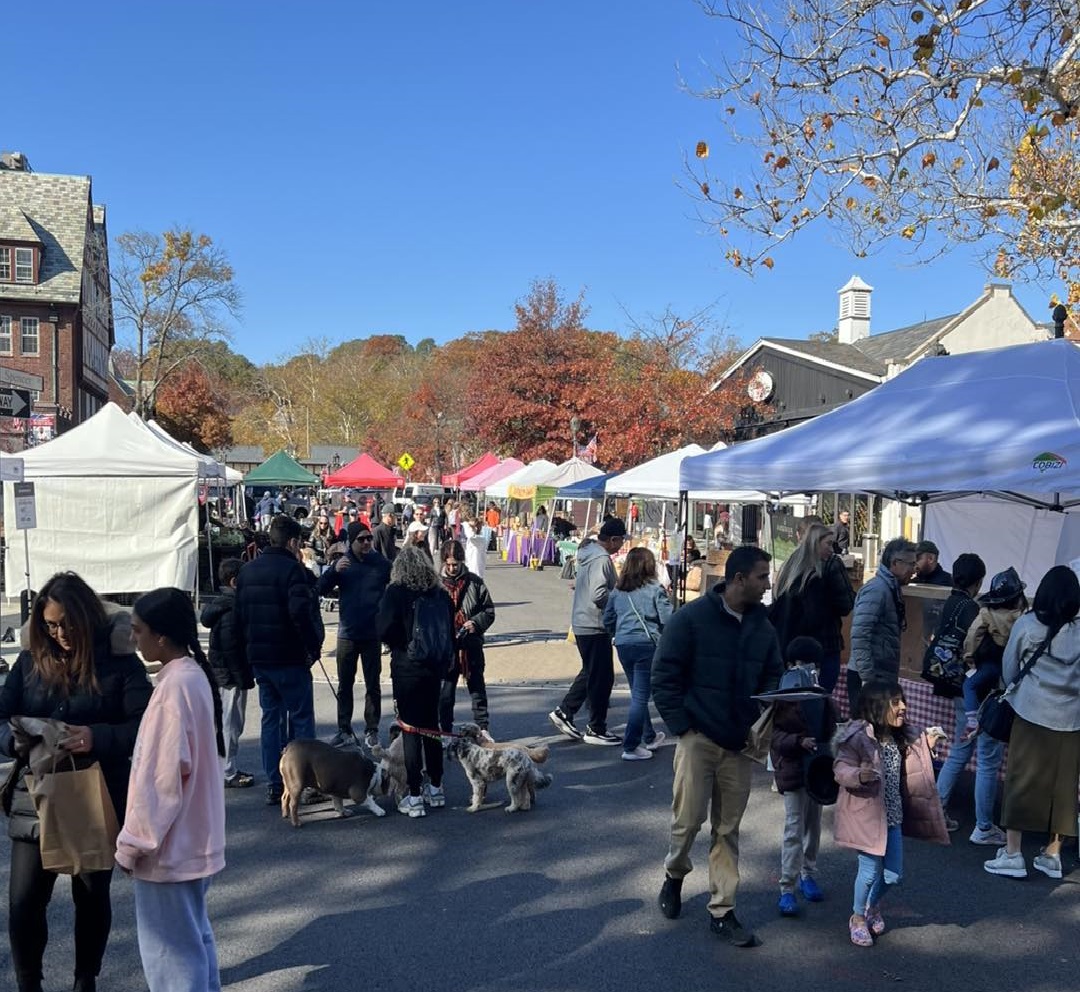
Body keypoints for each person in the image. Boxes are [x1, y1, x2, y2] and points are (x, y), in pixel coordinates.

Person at [0, 572, 152, 992]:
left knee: (91, 896)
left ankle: (86, 979)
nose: (60, 633)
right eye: (50, 625)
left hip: (96, 791)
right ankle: (29, 983)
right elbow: (0, 714)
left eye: (67, 623)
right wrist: (14, 739)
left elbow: (145, 726)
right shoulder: (30, 660)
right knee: (24, 903)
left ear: (87, 617)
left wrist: (95, 737)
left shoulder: (121, 661)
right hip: (38, 794)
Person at [652, 546, 782, 948]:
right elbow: (664, 676)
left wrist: (770, 711)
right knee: (687, 822)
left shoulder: (764, 626)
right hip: (698, 739)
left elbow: (772, 678)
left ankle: (723, 911)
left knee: (728, 830)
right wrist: (683, 728)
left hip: (739, 744)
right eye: (761, 577)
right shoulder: (691, 619)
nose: (767, 585)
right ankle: (674, 876)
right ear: (739, 578)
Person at [117, 588, 226, 992]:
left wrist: (133, 843)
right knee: (194, 942)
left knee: (171, 958)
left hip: (168, 846)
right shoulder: (193, 677)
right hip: (194, 840)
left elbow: (159, 780)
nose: (134, 639)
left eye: (138, 630)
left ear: (160, 637)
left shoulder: (172, 690)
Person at [833, 681, 949, 947]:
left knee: (894, 875)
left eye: (902, 700)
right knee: (870, 869)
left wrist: (927, 747)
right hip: (867, 816)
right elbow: (840, 768)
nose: (903, 707)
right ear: (876, 706)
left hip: (893, 816)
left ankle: (872, 906)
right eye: (895, 702)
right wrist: (858, 775)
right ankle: (857, 917)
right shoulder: (858, 737)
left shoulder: (902, 736)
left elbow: (914, 765)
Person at [984, 565, 1080, 881]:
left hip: (1031, 712)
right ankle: (1052, 855)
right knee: (1063, 787)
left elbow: (1010, 670)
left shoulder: (1027, 625)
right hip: (1071, 718)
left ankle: (1013, 854)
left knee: (1021, 781)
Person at [235, 514, 325, 805]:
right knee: (300, 721)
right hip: (290, 656)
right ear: (293, 541)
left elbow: (241, 617)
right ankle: (305, 782)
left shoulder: (247, 572)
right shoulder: (293, 571)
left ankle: (276, 783)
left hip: (260, 657)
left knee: (270, 719)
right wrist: (313, 647)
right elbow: (301, 614)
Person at [930, 555, 1009, 842]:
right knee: (987, 759)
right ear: (978, 582)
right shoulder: (976, 610)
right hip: (984, 692)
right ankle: (984, 827)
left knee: (960, 750)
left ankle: (937, 809)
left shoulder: (950, 602)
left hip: (960, 687)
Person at [377, 545, 453, 817]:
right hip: (434, 667)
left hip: (406, 667)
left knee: (410, 729)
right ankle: (436, 785)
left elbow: (383, 628)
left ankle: (415, 793)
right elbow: (449, 631)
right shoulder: (440, 594)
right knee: (432, 727)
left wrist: (401, 643)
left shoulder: (395, 592)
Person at [771, 636, 838, 917]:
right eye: (801, 664)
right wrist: (798, 742)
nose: (808, 670)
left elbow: (831, 729)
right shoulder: (783, 698)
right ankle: (787, 887)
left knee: (813, 826)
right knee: (793, 828)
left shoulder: (822, 695)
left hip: (818, 771)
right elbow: (773, 737)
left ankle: (807, 874)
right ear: (789, 665)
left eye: (813, 665)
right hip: (793, 770)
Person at [548, 518, 627, 745]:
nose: (621, 545)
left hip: (586, 622)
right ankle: (596, 727)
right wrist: (619, 599)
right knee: (602, 677)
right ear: (613, 539)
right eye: (621, 540)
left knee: (592, 672)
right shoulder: (601, 558)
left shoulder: (589, 552)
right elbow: (598, 594)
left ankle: (565, 712)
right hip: (594, 623)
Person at [319, 522, 393, 749]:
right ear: (351, 541)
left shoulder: (380, 563)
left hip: (372, 633)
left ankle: (372, 729)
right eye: (361, 539)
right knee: (345, 684)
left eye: (369, 538)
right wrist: (333, 570)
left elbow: (397, 586)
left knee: (373, 684)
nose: (366, 543)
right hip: (347, 633)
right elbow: (319, 589)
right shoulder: (343, 563)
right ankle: (345, 729)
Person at [601, 547, 671, 761]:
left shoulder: (618, 590)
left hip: (623, 644)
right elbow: (668, 620)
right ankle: (631, 745)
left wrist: (617, 633)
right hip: (646, 645)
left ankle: (649, 736)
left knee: (637, 693)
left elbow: (607, 619)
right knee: (641, 696)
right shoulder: (654, 589)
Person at [769, 522, 855, 693]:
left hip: (790, 646)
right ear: (815, 543)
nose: (832, 549)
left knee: (793, 701)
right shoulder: (831, 565)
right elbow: (846, 605)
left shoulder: (791, 564)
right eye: (829, 544)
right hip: (824, 645)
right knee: (818, 699)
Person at [200, 557, 255, 789]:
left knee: (228, 722)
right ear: (234, 582)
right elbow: (231, 647)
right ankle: (227, 770)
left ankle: (225, 767)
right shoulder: (232, 610)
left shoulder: (223, 606)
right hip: (231, 674)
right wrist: (240, 675)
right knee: (230, 723)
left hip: (224, 672)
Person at [846, 539, 917, 714]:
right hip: (870, 676)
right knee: (867, 734)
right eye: (911, 564)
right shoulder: (877, 590)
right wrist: (868, 679)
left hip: (879, 674)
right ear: (895, 563)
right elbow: (860, 635)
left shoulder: (890, 588)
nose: (914, 570)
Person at [438, 540, 496, 733]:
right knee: (446, 692)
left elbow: (488, 611)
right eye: (449, 565)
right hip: (447, 647)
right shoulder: (436, 585)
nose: (453, 568)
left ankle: (483, 728)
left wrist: (475, 623)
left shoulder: (475, 582)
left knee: (477, 688)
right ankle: (445, 730)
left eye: (456, 564)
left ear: (462, 561)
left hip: (471, 644)